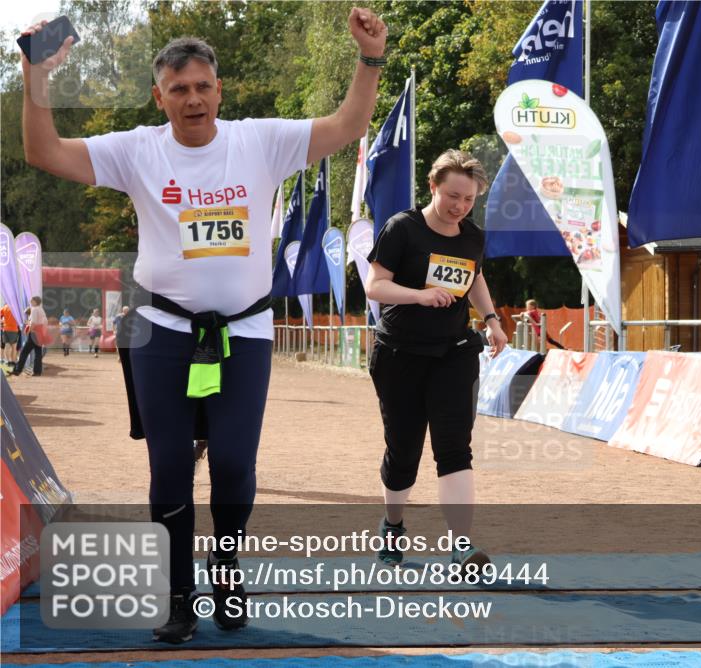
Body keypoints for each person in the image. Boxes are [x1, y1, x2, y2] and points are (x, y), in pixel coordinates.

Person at [20, 7, 386, 644]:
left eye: (203, 87)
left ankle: (228, 569)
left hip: (243, 334)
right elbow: (42, 151)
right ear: (158, 96)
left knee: (237, 466)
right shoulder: (136, 150)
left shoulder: (260, 141)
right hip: (163, 333)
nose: (193, 99)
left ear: (221, 90)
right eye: (179, 89)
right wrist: (37, 75)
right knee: (168, 466)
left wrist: (370, 57)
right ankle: (179, 593)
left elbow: (349, 124)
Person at [365, 149, 507, 573]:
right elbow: (375, 286)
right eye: (452, 196)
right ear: (433, 186)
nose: (459, 206)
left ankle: (461, 545)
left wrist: (493, 319)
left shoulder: (472, 236)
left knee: (454, 448)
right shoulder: (401, 229)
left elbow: (475, 276)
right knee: (403, 451)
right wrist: (419, 295)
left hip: (454, 354)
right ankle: (393, 526)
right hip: (399, 355)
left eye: (468, 199)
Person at [11, 296, 47, 377]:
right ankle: (37, 372)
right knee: (38, 353)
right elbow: (44, 322)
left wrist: (29, 331)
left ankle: (17, 370)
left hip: (34, 333)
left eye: (32, 301)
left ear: (35, 301)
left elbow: (33, 322)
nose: (30, 302)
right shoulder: (41, 309)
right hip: (40, 333)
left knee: (24, 352)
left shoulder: (34, 309)